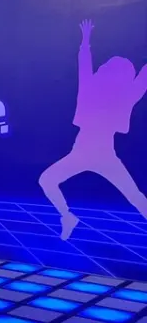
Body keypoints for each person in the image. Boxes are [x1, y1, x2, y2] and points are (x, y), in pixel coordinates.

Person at [39, 19, 147, 240]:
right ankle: (67, 217)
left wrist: (86, 42)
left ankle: (67, 216)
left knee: (134, 195)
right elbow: (85, 65)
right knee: (47, 180)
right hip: (82, 153)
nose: (102, 68)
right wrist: (85, 42)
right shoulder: (95, 90)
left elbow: (142, 79)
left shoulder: (119, 96)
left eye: (108, 67)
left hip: (102, 155)